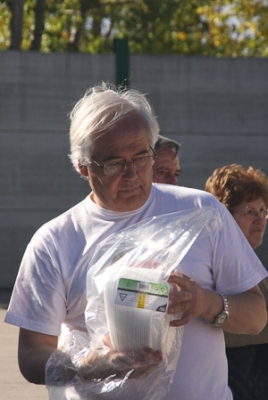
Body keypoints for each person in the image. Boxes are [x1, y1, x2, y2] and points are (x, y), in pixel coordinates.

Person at [4, 83, 268, 400]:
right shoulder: (55, 241)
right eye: (115, 162)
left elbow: (256, 316)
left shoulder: (202, 213)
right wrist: (89, 365)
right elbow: (31, 354)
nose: (132, 174)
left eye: (142, 156)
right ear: (82, 166)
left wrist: (204, 302)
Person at [205, 163, 268, 400]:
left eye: (263, 211)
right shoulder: (213, 266)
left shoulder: (256, 268)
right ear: (224, 215)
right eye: (250, 211)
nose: (260, 219)